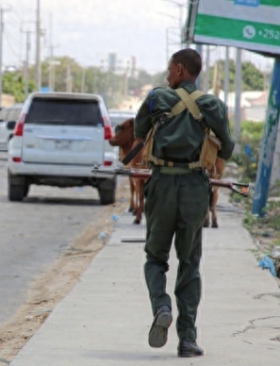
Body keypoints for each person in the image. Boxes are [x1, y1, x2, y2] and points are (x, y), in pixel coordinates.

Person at [134, 48, 234, 357]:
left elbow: (139, 132)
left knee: (155, 257)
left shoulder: (156, 99)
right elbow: (227, 149)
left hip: (162, 183)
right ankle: (187, 340)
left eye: (168, 69)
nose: (166, 75)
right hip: (194, 188)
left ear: (179, 69)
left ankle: (161, 306)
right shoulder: (213, 104)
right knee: (189, 264)